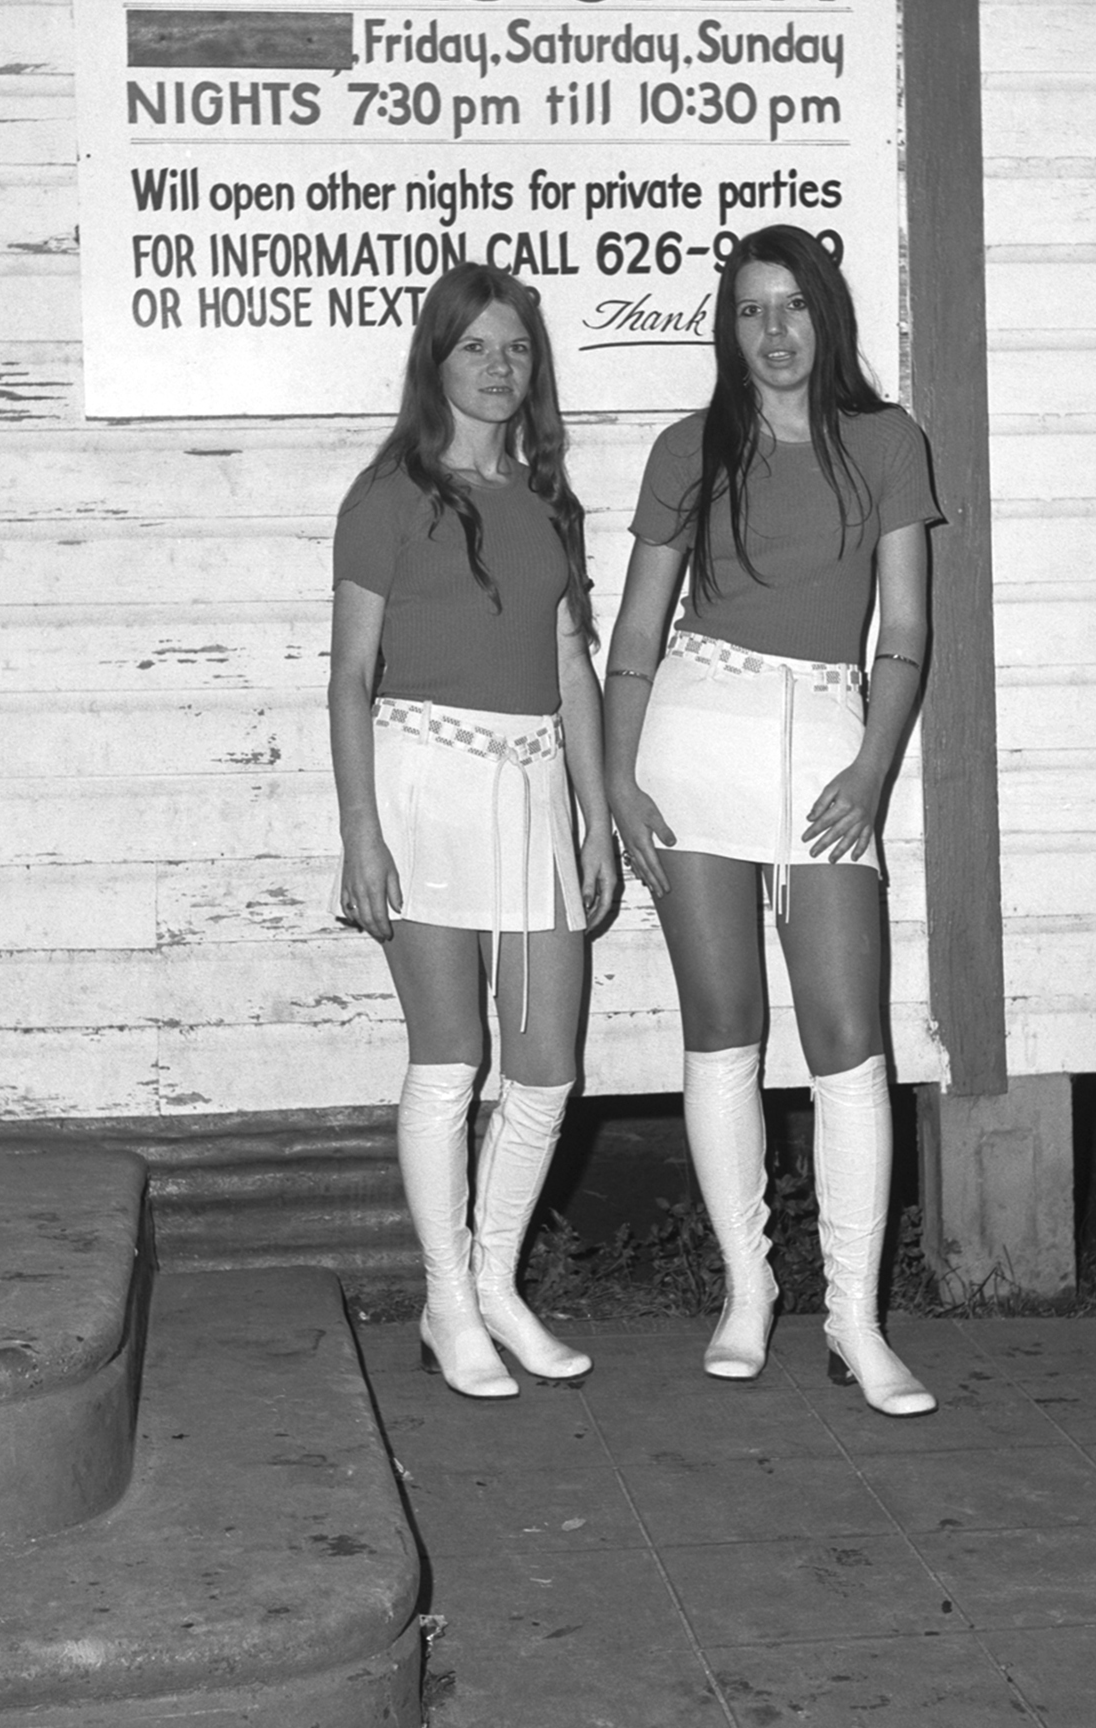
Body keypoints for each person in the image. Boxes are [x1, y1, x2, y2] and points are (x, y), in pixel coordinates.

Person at [604, 225, 941, 1417]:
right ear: (726, 327)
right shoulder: (687, 447)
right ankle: (747, 1287)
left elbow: (902, 631)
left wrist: (873, 767)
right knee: (723, 1028)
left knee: (850, 1041)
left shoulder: (887, 441)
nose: (774, 332)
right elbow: (636, 633)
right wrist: (614, 780)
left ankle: (854, 1315)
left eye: (792, 307)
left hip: (826, 749)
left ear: (824, 317)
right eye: (750, 311)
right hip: (695, 737)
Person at [329, 263, 616, 1400]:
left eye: (515, 350)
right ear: (434, 363)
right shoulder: (386, 497)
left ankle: (497, 1283)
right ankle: (446, 1300)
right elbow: (351, 674)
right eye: (475, 349)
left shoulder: (548, 502)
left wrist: (594, 817)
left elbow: (568, 664)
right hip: (420, 782)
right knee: (450, 1059)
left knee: (545, 1067)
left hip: (534, 784)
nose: (499, 369)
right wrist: (360, 830)